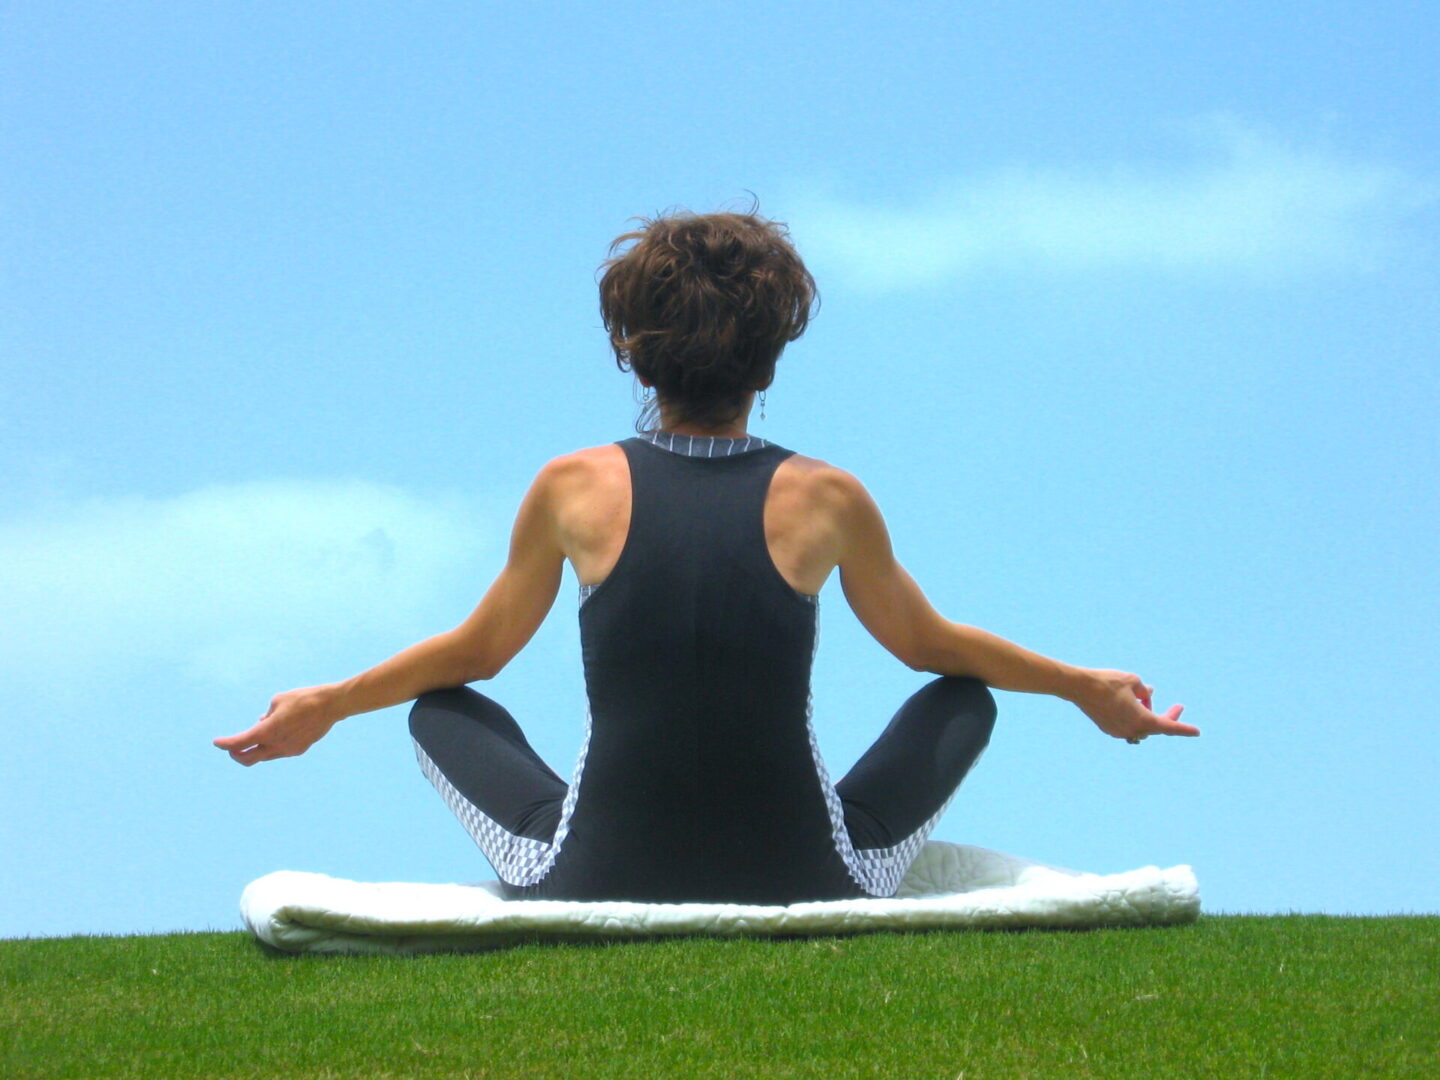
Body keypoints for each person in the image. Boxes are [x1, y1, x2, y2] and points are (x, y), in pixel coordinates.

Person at [214, 208, 1198, 904]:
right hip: (810, 879)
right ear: (771, 362)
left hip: (590, 875)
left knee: (441, 708)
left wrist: (329, 703)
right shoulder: (828, 497)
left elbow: (474, 658)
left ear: (633, 353)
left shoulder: (571, 487)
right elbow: (929, 647)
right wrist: (1079, 687)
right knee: (964, 696)